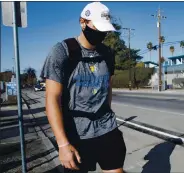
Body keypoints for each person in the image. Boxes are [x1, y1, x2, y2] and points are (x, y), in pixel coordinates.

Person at [40, 2, 126, 173]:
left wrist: (105, 112)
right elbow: (52, 98)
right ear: (82, 22)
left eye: (105, 30)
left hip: (106, 128)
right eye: (97, 28)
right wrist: (63, 144)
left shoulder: (108, 53)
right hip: (76, 134)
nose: (101, 33)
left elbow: (107, 87)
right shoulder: (62, 52)